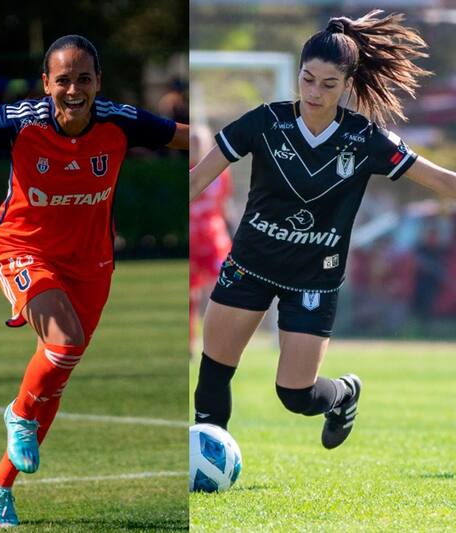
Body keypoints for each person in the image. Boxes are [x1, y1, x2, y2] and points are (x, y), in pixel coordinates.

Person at [0, 34, 188, 528]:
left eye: (83, 79)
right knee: (63, 347)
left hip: (92, 265)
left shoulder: (120, 121)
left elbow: (182, 135)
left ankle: (0, 486)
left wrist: (247, 140)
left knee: (55, 379)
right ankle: (17, 415)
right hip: (22, 248)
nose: (73, 89)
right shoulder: (20, 121)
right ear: (46, 83)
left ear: (98, 83)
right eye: (62, 79)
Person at [189, 11, 456, 453]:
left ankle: (343, 394)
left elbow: (443, 182)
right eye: (307, 79)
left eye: (328, 84)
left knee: (295, 395)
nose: (315, 92)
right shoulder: (264, 123)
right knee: (215, 372)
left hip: (314, 279)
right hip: (249, 265)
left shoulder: (366, 140)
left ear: (347, 85)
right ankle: (205, 465)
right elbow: (197, 179)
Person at [189, 124, 232, 359]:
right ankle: (190, 344)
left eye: (202, 142)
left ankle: (220, 343)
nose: (198, 146)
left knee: (223, 290)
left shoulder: (221, 173)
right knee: (190, 296)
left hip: (214, 240)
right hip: (192, 243)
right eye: (194, 142)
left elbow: (224, 203)